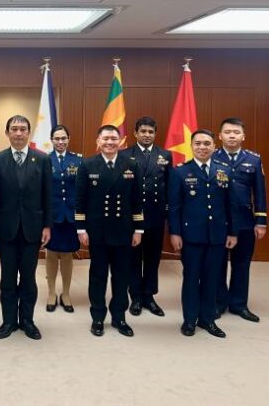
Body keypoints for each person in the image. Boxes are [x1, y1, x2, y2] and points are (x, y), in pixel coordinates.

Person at [0, 115, 53, 340]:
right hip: (5, 229)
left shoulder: (42, 159)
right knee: (7, 279)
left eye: (22, 129)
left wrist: (47, 226)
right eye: (14, 129)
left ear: (28, 132)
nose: (18, 133)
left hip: (32, 229)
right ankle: (8, 321)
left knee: (28, 278)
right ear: (7, 133)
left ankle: (27, 321)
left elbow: (48, 196)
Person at [75, 125, 144, 338]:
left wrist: (138, 229)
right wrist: (81, 228)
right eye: (105, 138)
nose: (110, 142)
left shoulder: (131, 164)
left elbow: (137, 200)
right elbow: (80, 200)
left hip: (124, 230)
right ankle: (97, 317)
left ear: (120, 141)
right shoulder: (87, 165)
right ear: (98, 141)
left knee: (121, 275)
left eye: (114, 138)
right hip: (98, 231)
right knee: (98, 275)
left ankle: (119, 317)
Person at [169, 129, 238, 338]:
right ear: (191, 146)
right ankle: (190, 320)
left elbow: (231, 205)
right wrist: (175, 233)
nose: (202, 147)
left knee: (212, 278)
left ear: (214, 147)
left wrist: (233, 232)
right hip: (191, 236)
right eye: (198, 143)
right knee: (191, 278)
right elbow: (174, 207)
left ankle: (208, 319)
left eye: (207, 143)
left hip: (217, 235)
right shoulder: (180, 172)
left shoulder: (224, 170)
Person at [215, 118, 266, 322]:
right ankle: (218, 301)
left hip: (245, 221)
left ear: (243, 136)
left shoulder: (253, 159)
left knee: (242, 264)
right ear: (220, 136)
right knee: (218, 264)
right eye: (228, 132)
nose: (232, 136)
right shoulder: (212, 157)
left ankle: (238, 304)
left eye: (236, 132)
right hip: (219, 220)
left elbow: (260, 192)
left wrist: (261, 221)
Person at [120, 117, 171, 317]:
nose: (147, 135)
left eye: (150, 132)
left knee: (153, 257)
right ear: (136, 133)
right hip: (133, 216)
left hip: (156, 215)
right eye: (143, 131)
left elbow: (168, 186)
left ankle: (149, 296)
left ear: (155, 134)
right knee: (133, 257)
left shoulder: (164, 155)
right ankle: (135, 296)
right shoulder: (125, 154)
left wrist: (167, 213)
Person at [46, 125, 82, 313]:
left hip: (71, 216)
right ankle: (51, 292)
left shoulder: (78, 160)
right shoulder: (45, 160)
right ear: (51, 140)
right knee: (51, 254)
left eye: (63, 138)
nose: (60, 142)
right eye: (57, 138)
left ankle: (66, 293)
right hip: (52, 216)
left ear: (69, 139)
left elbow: (82, 190)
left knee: (67, 255)